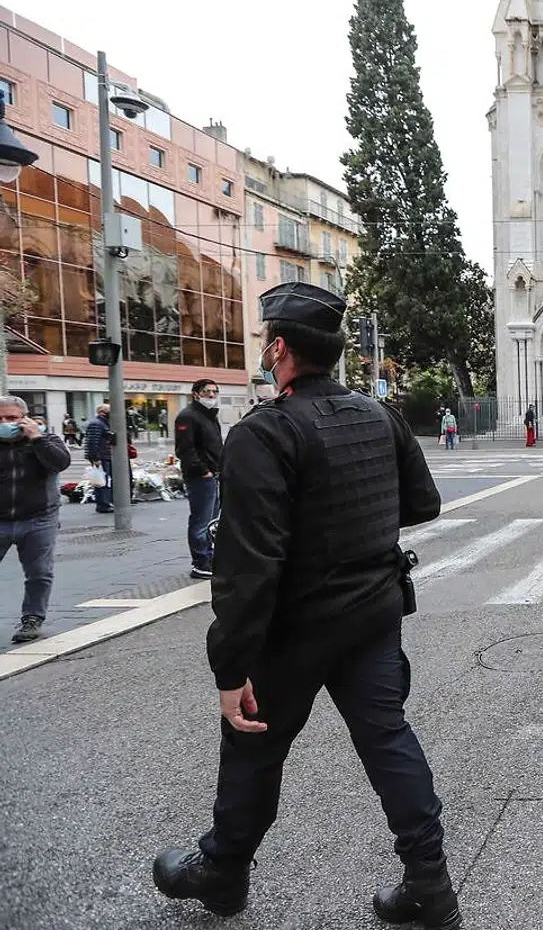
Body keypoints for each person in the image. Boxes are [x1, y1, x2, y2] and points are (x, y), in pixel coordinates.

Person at [152, 282, 462, 929]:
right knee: (388, 739)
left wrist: (230, 669)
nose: (265, 350)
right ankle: (429, 883)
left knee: (253, 746)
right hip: (373, 613)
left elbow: (249, 568)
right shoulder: (379, 416)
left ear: (280, 349)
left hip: (296, 626)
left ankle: (224, 871)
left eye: (267, 341)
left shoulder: (264, 432)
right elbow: (424, 503)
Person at [0, 396, 70, 643]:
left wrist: (36, 438)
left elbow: (60, 463)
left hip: (39, 518)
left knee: (39, 572)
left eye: (11, 418)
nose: (4, 423)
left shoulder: (46, 440)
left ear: (24, 418)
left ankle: (32, 618)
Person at [174, 379, 224, 579]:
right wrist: (204, 471)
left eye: (214, 391)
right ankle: (200, 562)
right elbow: (185, 449)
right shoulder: (188, 416)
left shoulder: (209, 415)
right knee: (201, 521)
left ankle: (209, 558)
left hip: (214, 475)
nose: (211, 395)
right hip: (201, 477)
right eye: (206, 391)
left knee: (212, 521)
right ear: (196, 394)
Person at [83, 404, 114, 514]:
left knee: (105, 480)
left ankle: (106, 502)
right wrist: (95, 458)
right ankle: (103, 504)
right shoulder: (97, 424)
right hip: (101, 456)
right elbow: (92, 442)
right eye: (109, 410)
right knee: (102, 481)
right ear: (102, 412)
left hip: (104, 455)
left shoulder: (102, 423)